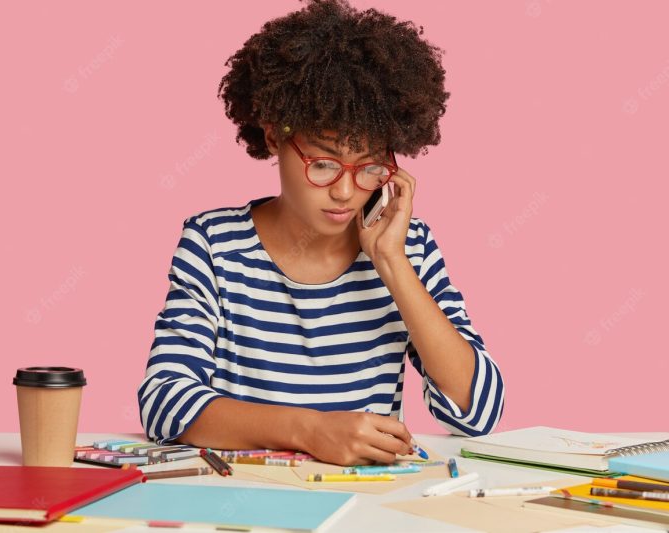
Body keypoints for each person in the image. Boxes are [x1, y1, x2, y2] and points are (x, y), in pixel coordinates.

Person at [137, 0, 504, 466]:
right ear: (273, 137)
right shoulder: (213, 244)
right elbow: (164, 402)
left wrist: (392, 263)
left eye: (370, 167)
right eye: (325, 163)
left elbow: (479, 410)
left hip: (367, 501)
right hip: (248, 497)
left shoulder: (407, 246)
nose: (346, 192)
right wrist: (310, 429)